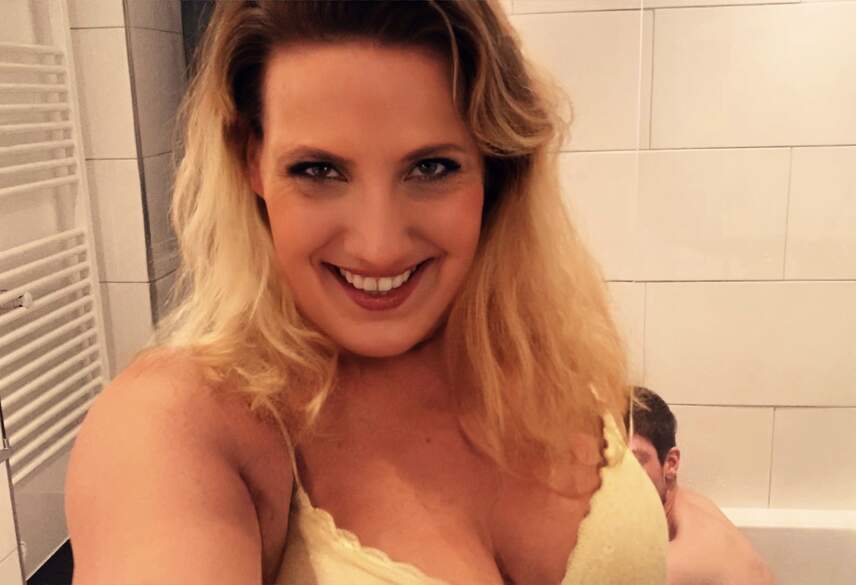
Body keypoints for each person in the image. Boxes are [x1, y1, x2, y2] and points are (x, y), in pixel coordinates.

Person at [65, 2, 668, 584]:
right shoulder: (183, 422)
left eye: (431, 168)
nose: (378, 247)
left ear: (495, 164)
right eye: (318, 170)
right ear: (253, 161)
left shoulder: (547, 349)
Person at [628, 387, 775, 585]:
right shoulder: (683, 503)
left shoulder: (679, 561)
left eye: (632, 463)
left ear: (670, 464)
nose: (617, 480)